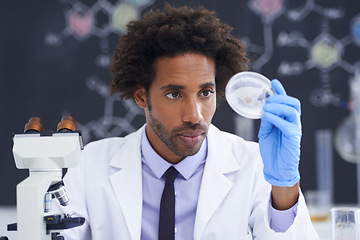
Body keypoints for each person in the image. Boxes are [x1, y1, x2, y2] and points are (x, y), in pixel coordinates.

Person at [54, 4, 319, 240]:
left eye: (206, 93)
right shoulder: (91, 165)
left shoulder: (254, 166)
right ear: (141, 96)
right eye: (174, 94)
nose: (194, 115)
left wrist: (285, 186)